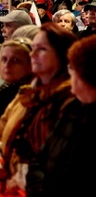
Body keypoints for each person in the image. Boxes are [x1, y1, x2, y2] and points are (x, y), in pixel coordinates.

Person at [0, 23, 76, 195]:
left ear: (61, 55)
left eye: (41, 49)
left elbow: (61, 167)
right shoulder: (25, 95)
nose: (32, 55)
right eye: (32, 48)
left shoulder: (71, 101)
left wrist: (19, 175)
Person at [26, 35, 96, 196]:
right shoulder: (73, 108)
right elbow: (39, 159)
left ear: (86, 76)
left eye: (72, 69)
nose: (69, 75)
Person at [0, 37, 35, 140]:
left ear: (30, 64)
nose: (7, 65)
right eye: (4, 59)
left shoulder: (28, 97)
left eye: (15, 60)